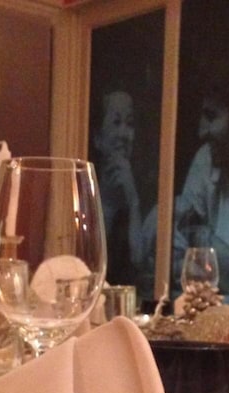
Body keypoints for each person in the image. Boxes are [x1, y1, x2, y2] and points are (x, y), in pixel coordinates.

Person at [144, 84, 229, 301]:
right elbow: (180, 258)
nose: (201, 131)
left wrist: (199, 236)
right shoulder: (207, 158)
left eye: (211, 116)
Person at [90, 89, 147, 295]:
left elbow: (139, 261)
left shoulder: (148, 198)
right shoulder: (86, 194)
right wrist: (108, 205)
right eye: (116, 122)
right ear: (98, 138)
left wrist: (133, 203)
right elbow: (88, 267)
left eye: (129, 124)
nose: (124, 134)